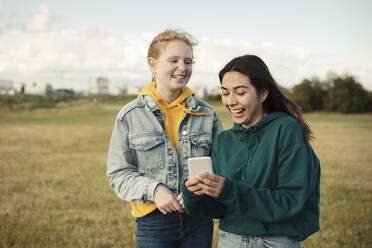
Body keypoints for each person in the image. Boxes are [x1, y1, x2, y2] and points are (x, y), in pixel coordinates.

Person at [182, 54, 321, 248]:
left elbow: (290, 201)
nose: (231, 101)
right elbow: (221, 208)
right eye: (225, 92)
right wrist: (193, 193)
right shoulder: (224, 141)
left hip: (274, 242)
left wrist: (228, 190)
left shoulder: (285, 129)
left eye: (240, 92)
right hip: (230, 240)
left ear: (263, 93)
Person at [107, 29, 224, 248]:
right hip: (153, 222)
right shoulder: (130, 116)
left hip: (199, 219)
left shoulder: (207, 115)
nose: (182, 67)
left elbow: (224, 164)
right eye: (174, 60)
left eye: (188, 61)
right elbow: (118, 173)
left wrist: (206, 185)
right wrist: (154, 190)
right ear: (152, 64)